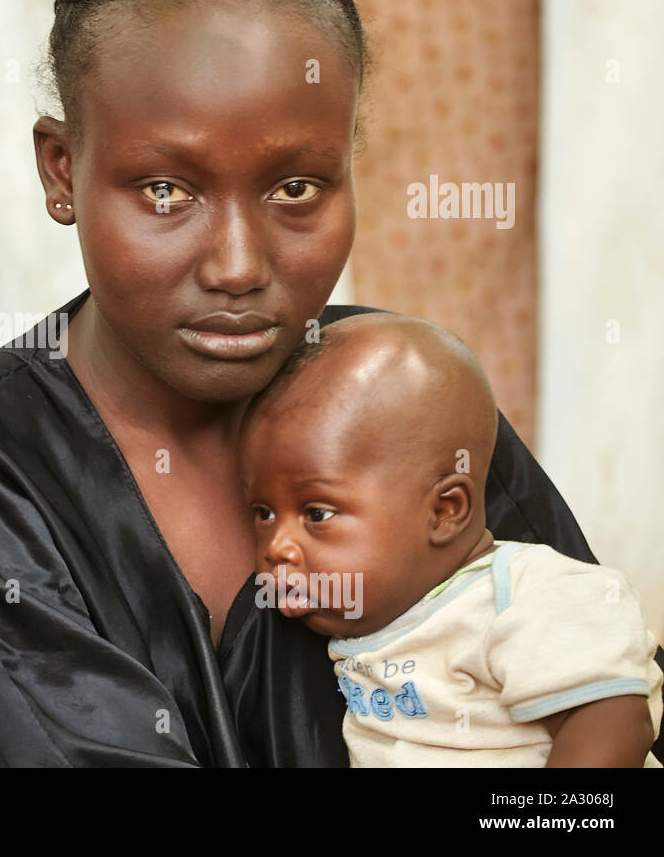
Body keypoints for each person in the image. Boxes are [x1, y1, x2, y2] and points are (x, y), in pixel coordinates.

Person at [0, 0, 664, 766]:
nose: (239, 266)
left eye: (296, 189)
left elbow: (596, 713)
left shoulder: (400, 395)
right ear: (62, 168)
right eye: (166, 191)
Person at [239, 313, 663, 767]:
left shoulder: (527, 596)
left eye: (316, 513)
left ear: (444, 511)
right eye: (264, 513)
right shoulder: (366, 621)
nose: (277, 546)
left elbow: (612, 724)